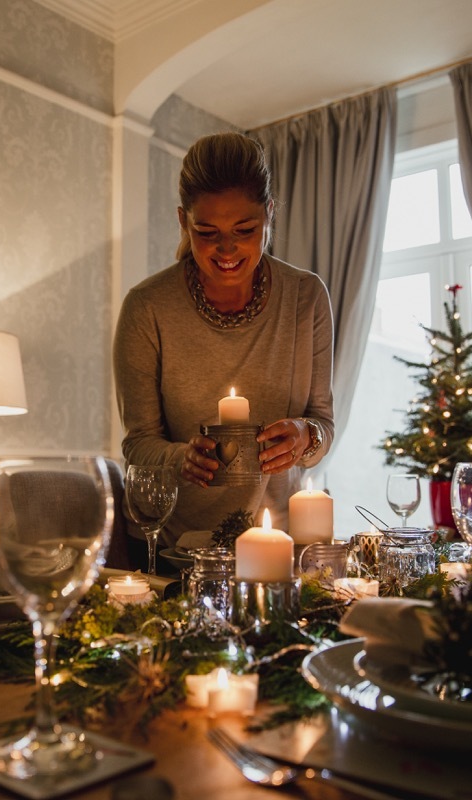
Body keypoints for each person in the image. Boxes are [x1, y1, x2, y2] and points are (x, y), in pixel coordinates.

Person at [113, 131, 334, 554]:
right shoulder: (147, 308)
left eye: (245, 229)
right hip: (172, 546)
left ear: (269, 214)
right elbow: (138, 444)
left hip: (275, 541)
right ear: (183, 221)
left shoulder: (305, 298)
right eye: (207, 231)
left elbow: (323, 422)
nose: (227, 248)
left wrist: (306, 437)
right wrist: (182, 460)